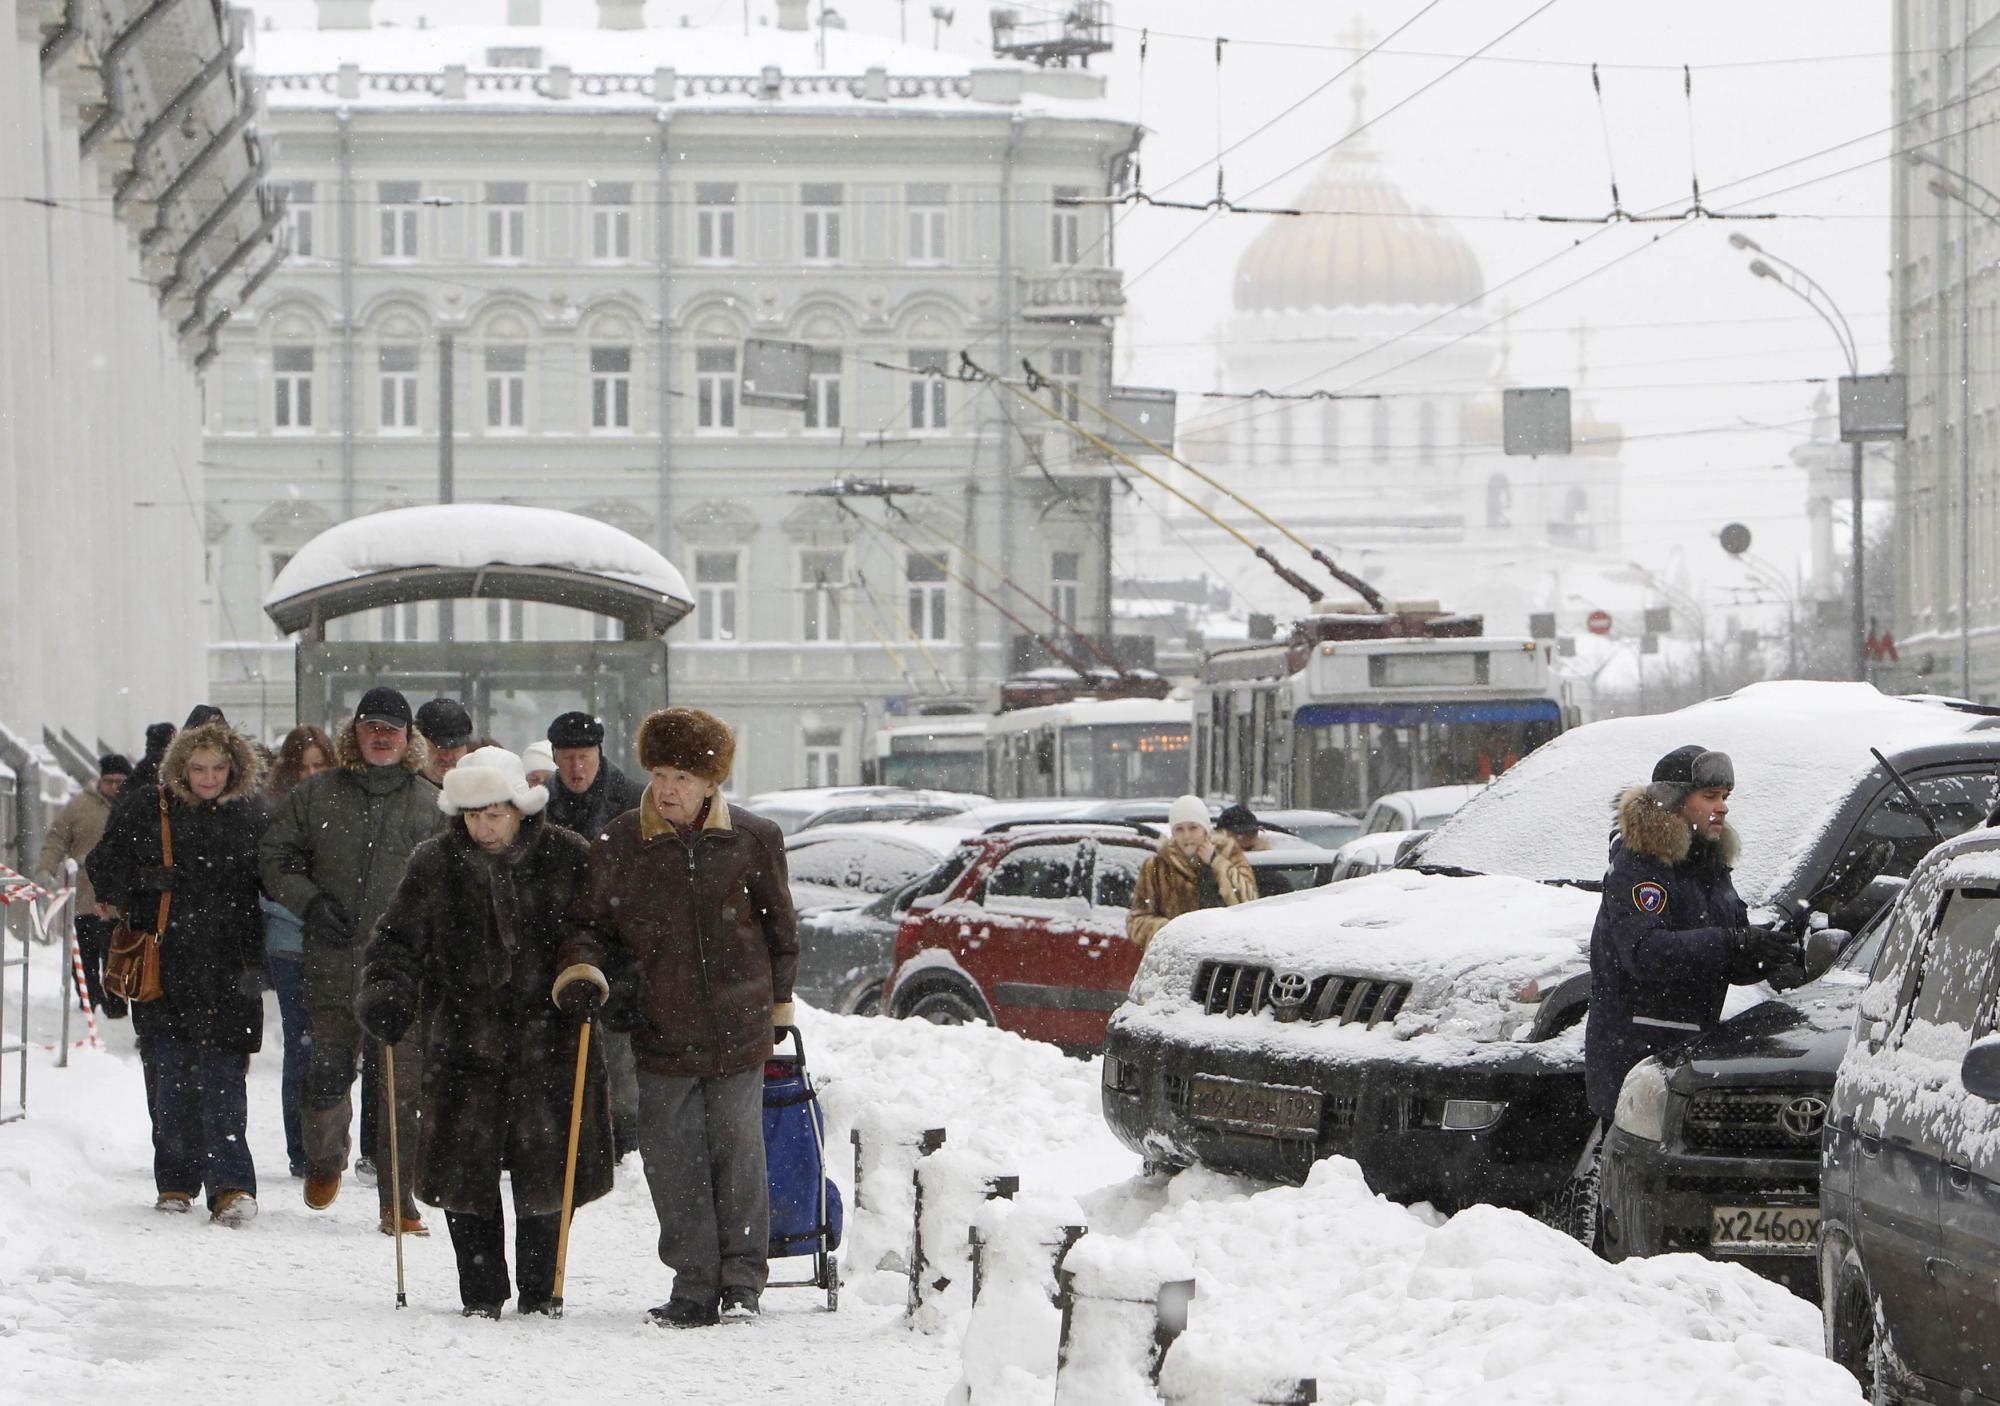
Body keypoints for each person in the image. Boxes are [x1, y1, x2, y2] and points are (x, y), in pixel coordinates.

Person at [553, 707, 798, 1327]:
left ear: (712, 782)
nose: (667, 790)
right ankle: (694, 1284)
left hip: (739, 1028)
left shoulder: (753, 839)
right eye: (660, 774)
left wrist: (777, 1005)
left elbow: (781, 931)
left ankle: (741, 1282)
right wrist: (588, 974)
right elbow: (587, 927)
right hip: (658, 1026)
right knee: (673, 1162)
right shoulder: (620, 843)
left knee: (738, 1155)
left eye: (683, 777)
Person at [357, 747, 614, 1318]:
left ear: (521, 809)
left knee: (550, 1173)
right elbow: (396, 941)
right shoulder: (434, 863)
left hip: (551, 1039)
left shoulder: (568, 857)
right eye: (473, 816)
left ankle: (541, 1289)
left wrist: (584, 974)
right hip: (463, 1042)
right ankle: (480, 1292)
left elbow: (599, 931)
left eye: (495, 814)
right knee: (464, 1174)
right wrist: (388, 991)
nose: (484, 828)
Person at [260, 686, 445, 1233]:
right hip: (331, 963)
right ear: (355, 734)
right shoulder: (317, 795)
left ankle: (398, 1201)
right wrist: (309, 902)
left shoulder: (431, 804)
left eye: (392, 729)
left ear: (408, 738)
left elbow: (451, 883)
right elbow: (275, 855)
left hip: (400, 973)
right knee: (326, 1075)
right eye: (372, 727)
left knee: (401, 1091)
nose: (381, 737)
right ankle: (323, 1159)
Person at [88, 718, 268, 1223]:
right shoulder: (149, 806)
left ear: (234, 767)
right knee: (173, 1079)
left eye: (218, 768)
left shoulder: (253, 814)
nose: (208, 778)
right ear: (180, 767)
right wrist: (145, 881)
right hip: (166, 961)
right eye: (198, 768)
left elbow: (276, 875)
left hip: (231, 966)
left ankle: (231, 1185)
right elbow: (103, 864)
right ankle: (176, 1180)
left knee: (225, 1079)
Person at [1584, 745, 1801, 1127]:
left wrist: (1770, 950)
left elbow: (1727, 957)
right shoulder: (1640, 865)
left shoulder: (1710, 864)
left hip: (1690, 1060)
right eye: (1710, 796)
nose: (1723, 807)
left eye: (1726, 797)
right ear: (1674, 801)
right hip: (1637, 1063)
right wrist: (1733, 942)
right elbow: (1646, 952)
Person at [541, 709, 645, 1157]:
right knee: (563, 1052)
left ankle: (624, 1139)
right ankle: (574, 1138)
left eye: (583, 756)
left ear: (599, 753)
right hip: (560, 946)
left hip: (622, 949)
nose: (576, 768)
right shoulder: (541, 806)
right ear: (554, 758)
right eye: (567, 758)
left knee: (620, 1055)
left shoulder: (634, 802)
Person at [262, 724, 334, 1177]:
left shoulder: (342, 810)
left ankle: (328, 1142)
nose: (310, 774)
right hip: (291, 945)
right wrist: (307, 911)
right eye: (302, 766)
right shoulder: (276, 814)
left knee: (332, 1047)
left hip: (335, 945)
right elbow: (265, 883)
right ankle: (302, 1149)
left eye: (318, 765)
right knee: (301, 1047)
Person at [38, 753, 133, 1017]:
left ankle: (116, 1003)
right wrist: (46, 868)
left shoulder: (136, 805)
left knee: (117, 955)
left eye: (120, 781)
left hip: (121, 901)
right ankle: (88, 998)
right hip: (85, 897)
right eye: (109, 781)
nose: (114, 787)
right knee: (85, 953)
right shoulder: (79, 806)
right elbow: (57, 838)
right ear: (100, 780)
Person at [1126, 794, 1257, 953]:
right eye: (1179, 829)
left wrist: (1217, 862)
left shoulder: (1229, 854)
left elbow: (1250, 904)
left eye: (1193, 827)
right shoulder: (1157, 865)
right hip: (1178, 960)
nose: (1186, 836)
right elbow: (1137, 921)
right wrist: (1171, 931)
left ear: (1205, 829)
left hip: (1226, 955)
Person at [416, 697, 474, 789]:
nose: (447, 757)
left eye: (455, 747)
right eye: (439, 747)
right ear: (417, 744)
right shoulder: (399, 789)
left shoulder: (490, 782)